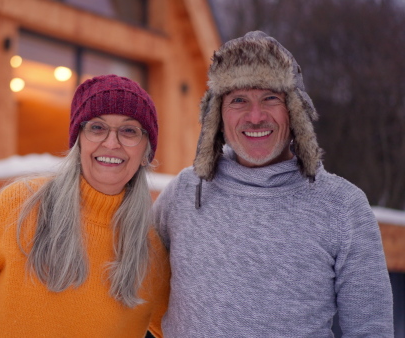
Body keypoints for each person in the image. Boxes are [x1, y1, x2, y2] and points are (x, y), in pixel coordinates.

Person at [153, 31, 394, 336]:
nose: (255, 117)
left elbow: (370, 329)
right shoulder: (184, 192)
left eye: (270, 98)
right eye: (239, 99)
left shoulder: (342, 207)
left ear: (294, 112)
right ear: (218, 115)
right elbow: (136, 281)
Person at [0, 74, 170, 337]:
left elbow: (184, 327)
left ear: (146, 152)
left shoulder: (151, 251)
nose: (111, 142)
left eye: (129, 131)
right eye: (97, 127)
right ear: (78, 140)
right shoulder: (20, 205)